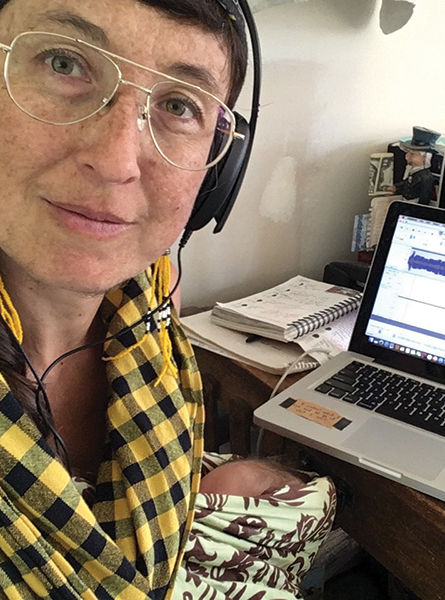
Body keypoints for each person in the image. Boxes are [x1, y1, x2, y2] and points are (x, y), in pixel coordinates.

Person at [0, 1, 335, 598]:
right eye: (64, 63)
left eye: (179, 105)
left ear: (217, 172)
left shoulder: (153, 317)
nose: (115, 161)